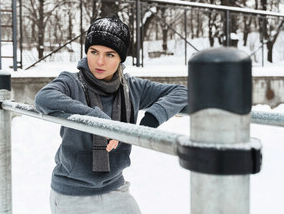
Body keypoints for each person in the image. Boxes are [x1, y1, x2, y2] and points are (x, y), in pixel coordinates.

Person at [34, 15, 188, 214]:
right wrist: (99, 120)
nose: (99, 61)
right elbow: (43, 98)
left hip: (116, 188)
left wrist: (152, 118)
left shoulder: (132, 87)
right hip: (72, 194)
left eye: (110, 54)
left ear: (121, 58)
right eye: (94, 52)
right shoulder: (72, 82)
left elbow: (181, 91)